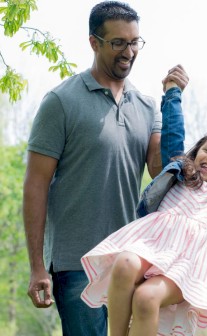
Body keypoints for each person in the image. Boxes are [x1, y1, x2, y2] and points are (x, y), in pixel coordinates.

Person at [79, 66, 207, 336]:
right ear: (195, 153)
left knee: (146, 298)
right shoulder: (180, 174)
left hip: (191, 266)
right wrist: (172, 92)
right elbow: (172, 131)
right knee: (123, 264)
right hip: (154, 247)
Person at [22, 2, 170, 335]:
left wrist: (172, 102)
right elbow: (35, 185)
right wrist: (37, 268)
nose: (129, 52)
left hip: (130, 261)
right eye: (118, 42)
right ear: (94, 42)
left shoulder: (147, 106)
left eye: (135, 42)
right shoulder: (61, 102)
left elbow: (160, 170)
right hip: (76, 264)